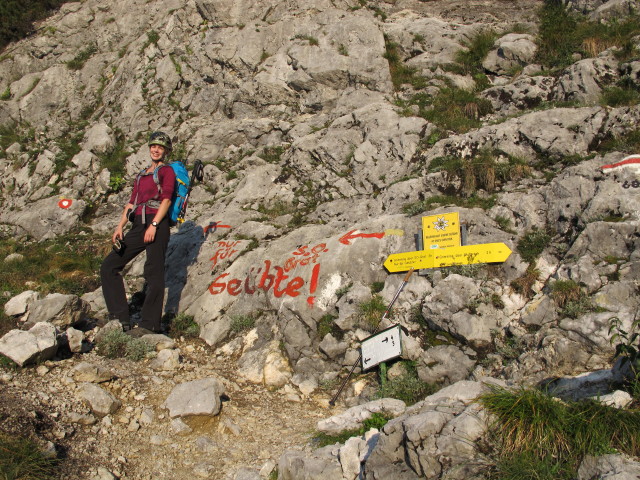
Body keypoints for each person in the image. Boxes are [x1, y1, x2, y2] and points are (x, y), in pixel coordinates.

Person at [100, 131, 176, 335]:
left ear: (166, 151)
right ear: (149, 148)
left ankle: (150, 325)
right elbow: (131, 202)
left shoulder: (167, 171)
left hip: (157, 225)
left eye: (160, 147)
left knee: (153, 272)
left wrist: (154, 224)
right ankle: (120, 318)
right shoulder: (141, 175)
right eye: (153, 145)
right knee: (109, 265)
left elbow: (167, 200)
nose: (156, 149)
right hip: (137, 225)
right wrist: (119, 227)